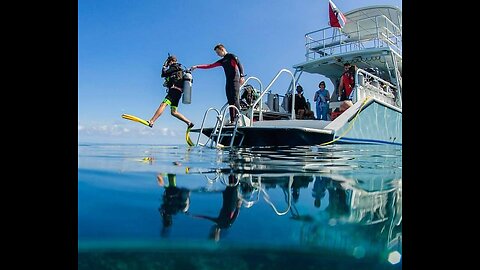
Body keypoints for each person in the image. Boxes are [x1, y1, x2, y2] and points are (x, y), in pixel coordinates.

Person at [190, 44, 245, 124]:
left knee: (235, 98)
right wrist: (197, 66)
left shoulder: (231, 56)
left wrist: (242, 76)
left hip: (235, 80)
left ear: (222, 49)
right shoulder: (222, 61)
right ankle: (232, 120)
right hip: (228, 81)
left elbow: (239, 64)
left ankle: (238, 117)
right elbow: (210, 66)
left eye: (218, 52)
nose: (217, 54)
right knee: (230, 100)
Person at [148, 55, 194, 129]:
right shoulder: (180, 69)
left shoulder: (174, 67)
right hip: (178, 93)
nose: (168, 65)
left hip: (173, 91)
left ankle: (152, 121)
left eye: (169, 63)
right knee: (174, 112)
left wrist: (164, 66)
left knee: (163, 104)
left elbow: (163, 74)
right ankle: (189, 122)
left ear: (171, 61)